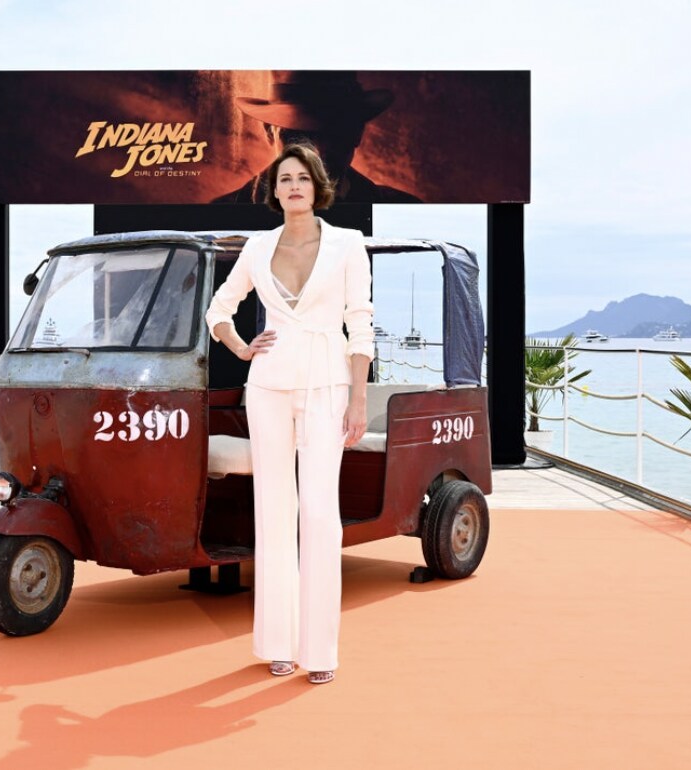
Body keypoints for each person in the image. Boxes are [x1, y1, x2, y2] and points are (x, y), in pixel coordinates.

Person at [205, 143, 374, 684]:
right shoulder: (257, 248)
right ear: (274, 191)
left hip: (328, 385)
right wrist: (240, 347)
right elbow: (218, 311)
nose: (294, 186)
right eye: (285, 179)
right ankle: (278, 642)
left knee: (320, 516)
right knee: (274, 512)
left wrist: (359, 397)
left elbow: (360, 323)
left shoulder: (348, 245)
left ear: (316, 185)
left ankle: (319, 651)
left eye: (302, 177)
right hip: (269, 386)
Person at [211, 71, 421, 204]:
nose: (317, 154)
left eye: (335, 133)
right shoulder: (221, 214)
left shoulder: (404, 210)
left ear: (357, 133)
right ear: (269, 132)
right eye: (298, 136)